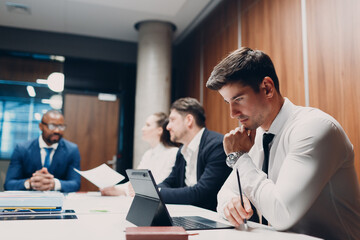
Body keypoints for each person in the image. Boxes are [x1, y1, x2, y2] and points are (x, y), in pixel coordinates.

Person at [206, 47, 360, 239]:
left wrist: (238, 157)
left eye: (238, 99)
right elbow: (223, 195)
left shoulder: (313, 128)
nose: (233, 113)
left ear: (267, 88)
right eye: (228, 102)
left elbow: (281, 214)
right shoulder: (259, 135)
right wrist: (231, 203)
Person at [157, 97, 232, 211]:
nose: (168, 127)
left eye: (172, 120)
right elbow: (169, 182)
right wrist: (157, 190)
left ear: (189, 120)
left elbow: (201, 194)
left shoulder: (217, 146)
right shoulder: (182, 151)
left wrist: (157, 193)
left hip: (215, 220)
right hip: (192, 214)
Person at [100, 112, 179, 196]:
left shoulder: (173, 153)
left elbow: (162, 184)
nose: (142, 129)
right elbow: (135, 182)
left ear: (159, 130)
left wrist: (127, 190)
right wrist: (114, 188)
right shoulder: (148, 154)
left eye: (148, 125)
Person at [4, 109, 81, 192]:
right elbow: (9, 184)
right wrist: (30, 183)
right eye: (52, 126)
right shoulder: (22, 149)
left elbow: (75, 183)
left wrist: (54, 184)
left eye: (61, 127)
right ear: (41, 126)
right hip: (29, 201)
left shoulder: (72, 150)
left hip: (59, 202)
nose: (57, 130)